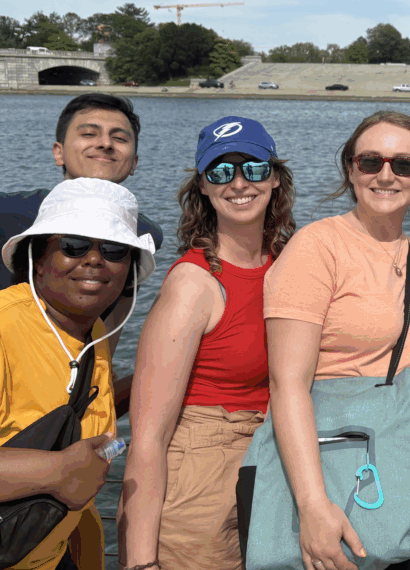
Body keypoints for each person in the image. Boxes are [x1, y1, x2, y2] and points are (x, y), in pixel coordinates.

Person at [263, 110, 410, 570]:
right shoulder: (317, 246)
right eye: (371, 162)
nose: (387, 174)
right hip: (339, 471)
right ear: (350, 169)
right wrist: (312, 504)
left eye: (404, 164)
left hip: (407, 466)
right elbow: (287, 385)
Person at [117, 116, 296, 570]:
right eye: (221, 171)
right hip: (201, 474)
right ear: (203, 186)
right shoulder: (194, 284)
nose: (239, 182)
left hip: (273, 461)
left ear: (274, 177)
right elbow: (149, 438)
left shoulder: (290, 265)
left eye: (253, 168)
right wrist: (140, 562)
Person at [0, 177, 157, 570]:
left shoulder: (89, 331)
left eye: (113, 249)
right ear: (39, 259)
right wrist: (54, 472)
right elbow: (66, 469)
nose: (94, 259)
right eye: (73, 246)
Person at [0, 93, 164, 302]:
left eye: (119, 138)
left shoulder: (143, 232)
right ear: (58, 153)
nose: (105, 144)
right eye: (89, 134)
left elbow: (115, 312)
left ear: (134, 162)